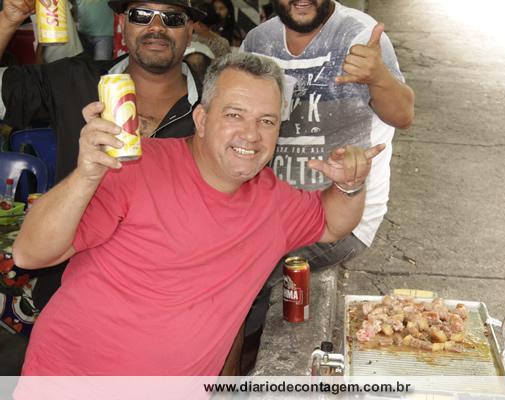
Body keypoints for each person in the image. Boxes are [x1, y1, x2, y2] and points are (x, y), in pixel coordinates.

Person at [12, 52, 384, 375]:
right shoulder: (135, 166)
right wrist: (86, 175)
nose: (251, 134)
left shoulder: (274, 202)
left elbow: (333, 223)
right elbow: (30, 253)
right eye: (235, 115)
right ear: (202, 119)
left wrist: (350, 184)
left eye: (267, 121)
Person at [0, 0, 206, 372]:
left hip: (172, 315)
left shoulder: (217, 105)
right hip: (70, 305)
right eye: (142, 15)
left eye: (172, 18)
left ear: (190, 30)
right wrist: (9, 19)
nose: (156, 27)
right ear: (123, 24)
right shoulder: (73, 80)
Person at [239, 0, 414, 361]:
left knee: (240, 273)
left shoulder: (359, 34)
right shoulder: (257, 42)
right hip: (271, 210)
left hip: (342, 217)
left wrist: (378, 77)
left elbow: (403, 115)